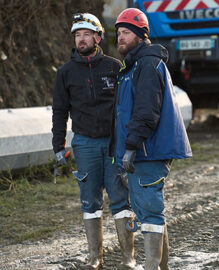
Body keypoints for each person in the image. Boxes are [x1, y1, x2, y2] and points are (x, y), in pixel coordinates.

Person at [51, 13, 136, 270]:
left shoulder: (114, 67)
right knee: (89, 200)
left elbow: (127, 105)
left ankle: (128, 259)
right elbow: (59, 111)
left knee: (120, 199)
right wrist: (58, 146)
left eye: (87, 34)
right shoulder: (65, 73)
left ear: (98, 37)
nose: (82, 39)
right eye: (77, 35)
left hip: (114, 144)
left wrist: (130, 140)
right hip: (85, 144)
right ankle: (94, 259)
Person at [112, 8, 192, 270]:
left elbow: (146, 112)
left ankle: (152, 267)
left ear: (140, 35)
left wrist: (131, 147)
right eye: (119, 33)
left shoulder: (146, 65)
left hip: (148, 150)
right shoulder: (135, 65)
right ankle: (161, 267)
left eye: (126, 33)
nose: (120, 38)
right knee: (148, 211)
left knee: (149, 211)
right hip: (145, 149)